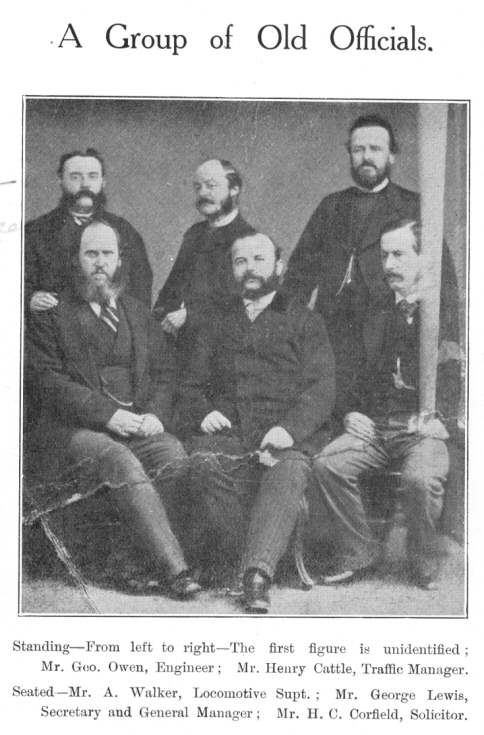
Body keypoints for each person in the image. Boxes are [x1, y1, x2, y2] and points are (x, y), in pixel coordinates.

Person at [26, 220, 199, 599]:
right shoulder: (50, 313)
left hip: (135, 423)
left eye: (107, 254)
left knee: (173, 454)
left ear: (120, 260)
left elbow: (165, 372)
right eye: (91, 254)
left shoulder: (137, 312)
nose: (99, 262)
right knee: (118, 459)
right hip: (70, 432)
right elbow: (47, 382)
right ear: (77, 260)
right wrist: (107, 415)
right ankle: (176, 570)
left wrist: (154, 414)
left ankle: (132, 560)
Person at [177, 232, 335, 613]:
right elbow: (189, 384)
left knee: (288, 470)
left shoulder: (304, 320)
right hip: (230, 436)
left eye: (259, 260)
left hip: (284, 435)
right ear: (232, 269)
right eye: (241, 261)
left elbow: (322, 388)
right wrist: (203, 411)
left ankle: (256, 576)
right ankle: (242, 559)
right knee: (201, 462)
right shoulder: (215, 320)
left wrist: (288, 430)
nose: (250, 269)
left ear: (278, 266)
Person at [311, 219, 461, 590]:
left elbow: (460, 374)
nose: (389, 265)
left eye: (399, 254)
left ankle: (424, 557)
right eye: (384, 255)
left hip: (425, 429)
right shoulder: (372, 312)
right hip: (377, 427)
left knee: (420, 480)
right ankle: (359, 550)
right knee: (327, 464)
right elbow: (345, 371)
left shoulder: (447, 314)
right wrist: (350, 412)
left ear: (424, 260)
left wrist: (443, 418)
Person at [282, 114, 458, 413]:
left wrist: (450, 337)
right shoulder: (330, 206)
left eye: (375, 149)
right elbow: (298, 275)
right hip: (332, 334)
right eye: (358, 149)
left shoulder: (414, 205)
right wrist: (286, 330)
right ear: (349, 154)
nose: (366, 157)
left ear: (391, 155)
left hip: (388, 334)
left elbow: (443, 280)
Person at [25, 148, 153, 313]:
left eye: (93, 176)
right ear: (60, 180)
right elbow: (13, 282)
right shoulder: (36, 231)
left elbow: (140, 284)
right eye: (75, 177)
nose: (85, 184)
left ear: (103, 181)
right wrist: (29, 298)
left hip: (110, 326)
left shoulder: (123, 230)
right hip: (55, 327)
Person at [153, 158, 255, 357]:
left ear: (234, 189)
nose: (202, 194)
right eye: (198, 187)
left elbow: (242, 304)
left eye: (211, 186)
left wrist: (189, 316)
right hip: (178, 345)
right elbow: (170, 290)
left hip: (221, 351)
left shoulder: (248, 239)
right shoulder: (194, 233)